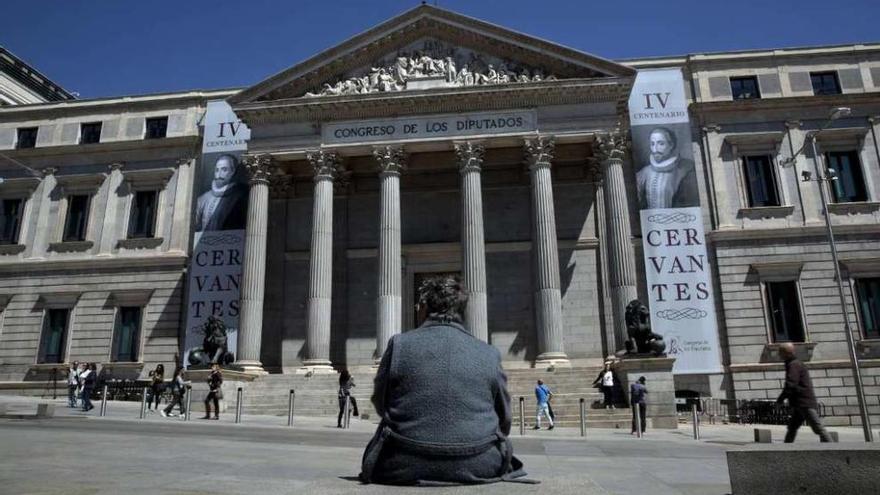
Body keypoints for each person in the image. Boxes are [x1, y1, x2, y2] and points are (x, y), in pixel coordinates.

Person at [360, 275, 530, 485]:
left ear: (423, 308)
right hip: (481, 462)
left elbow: (380, 401)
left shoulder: (399, 345)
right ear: (463, 311)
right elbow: (504, 418)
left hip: (402, 462)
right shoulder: (489, 353)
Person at [776, 343, 833, 443]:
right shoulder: (794, 363)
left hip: (804, 403)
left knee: (818, 428)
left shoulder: (794, 365)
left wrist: (780, 400)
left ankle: (835, 449)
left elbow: (791, 384)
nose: (779, 354)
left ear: (786, 353)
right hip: (799, 403)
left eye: (780, 352)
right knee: (792, 427)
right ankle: (786, 449)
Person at [635, 127, 700, 209]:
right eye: (652, 144)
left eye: (661, 144)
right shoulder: (644, 173)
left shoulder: (687, 168)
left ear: (671, 145)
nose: (655, 149)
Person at [194, 154, 248, 231]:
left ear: (233, 171)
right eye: (217, 170)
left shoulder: (243, 195)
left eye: (224, 169)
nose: (219, 174)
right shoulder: (202, 199)